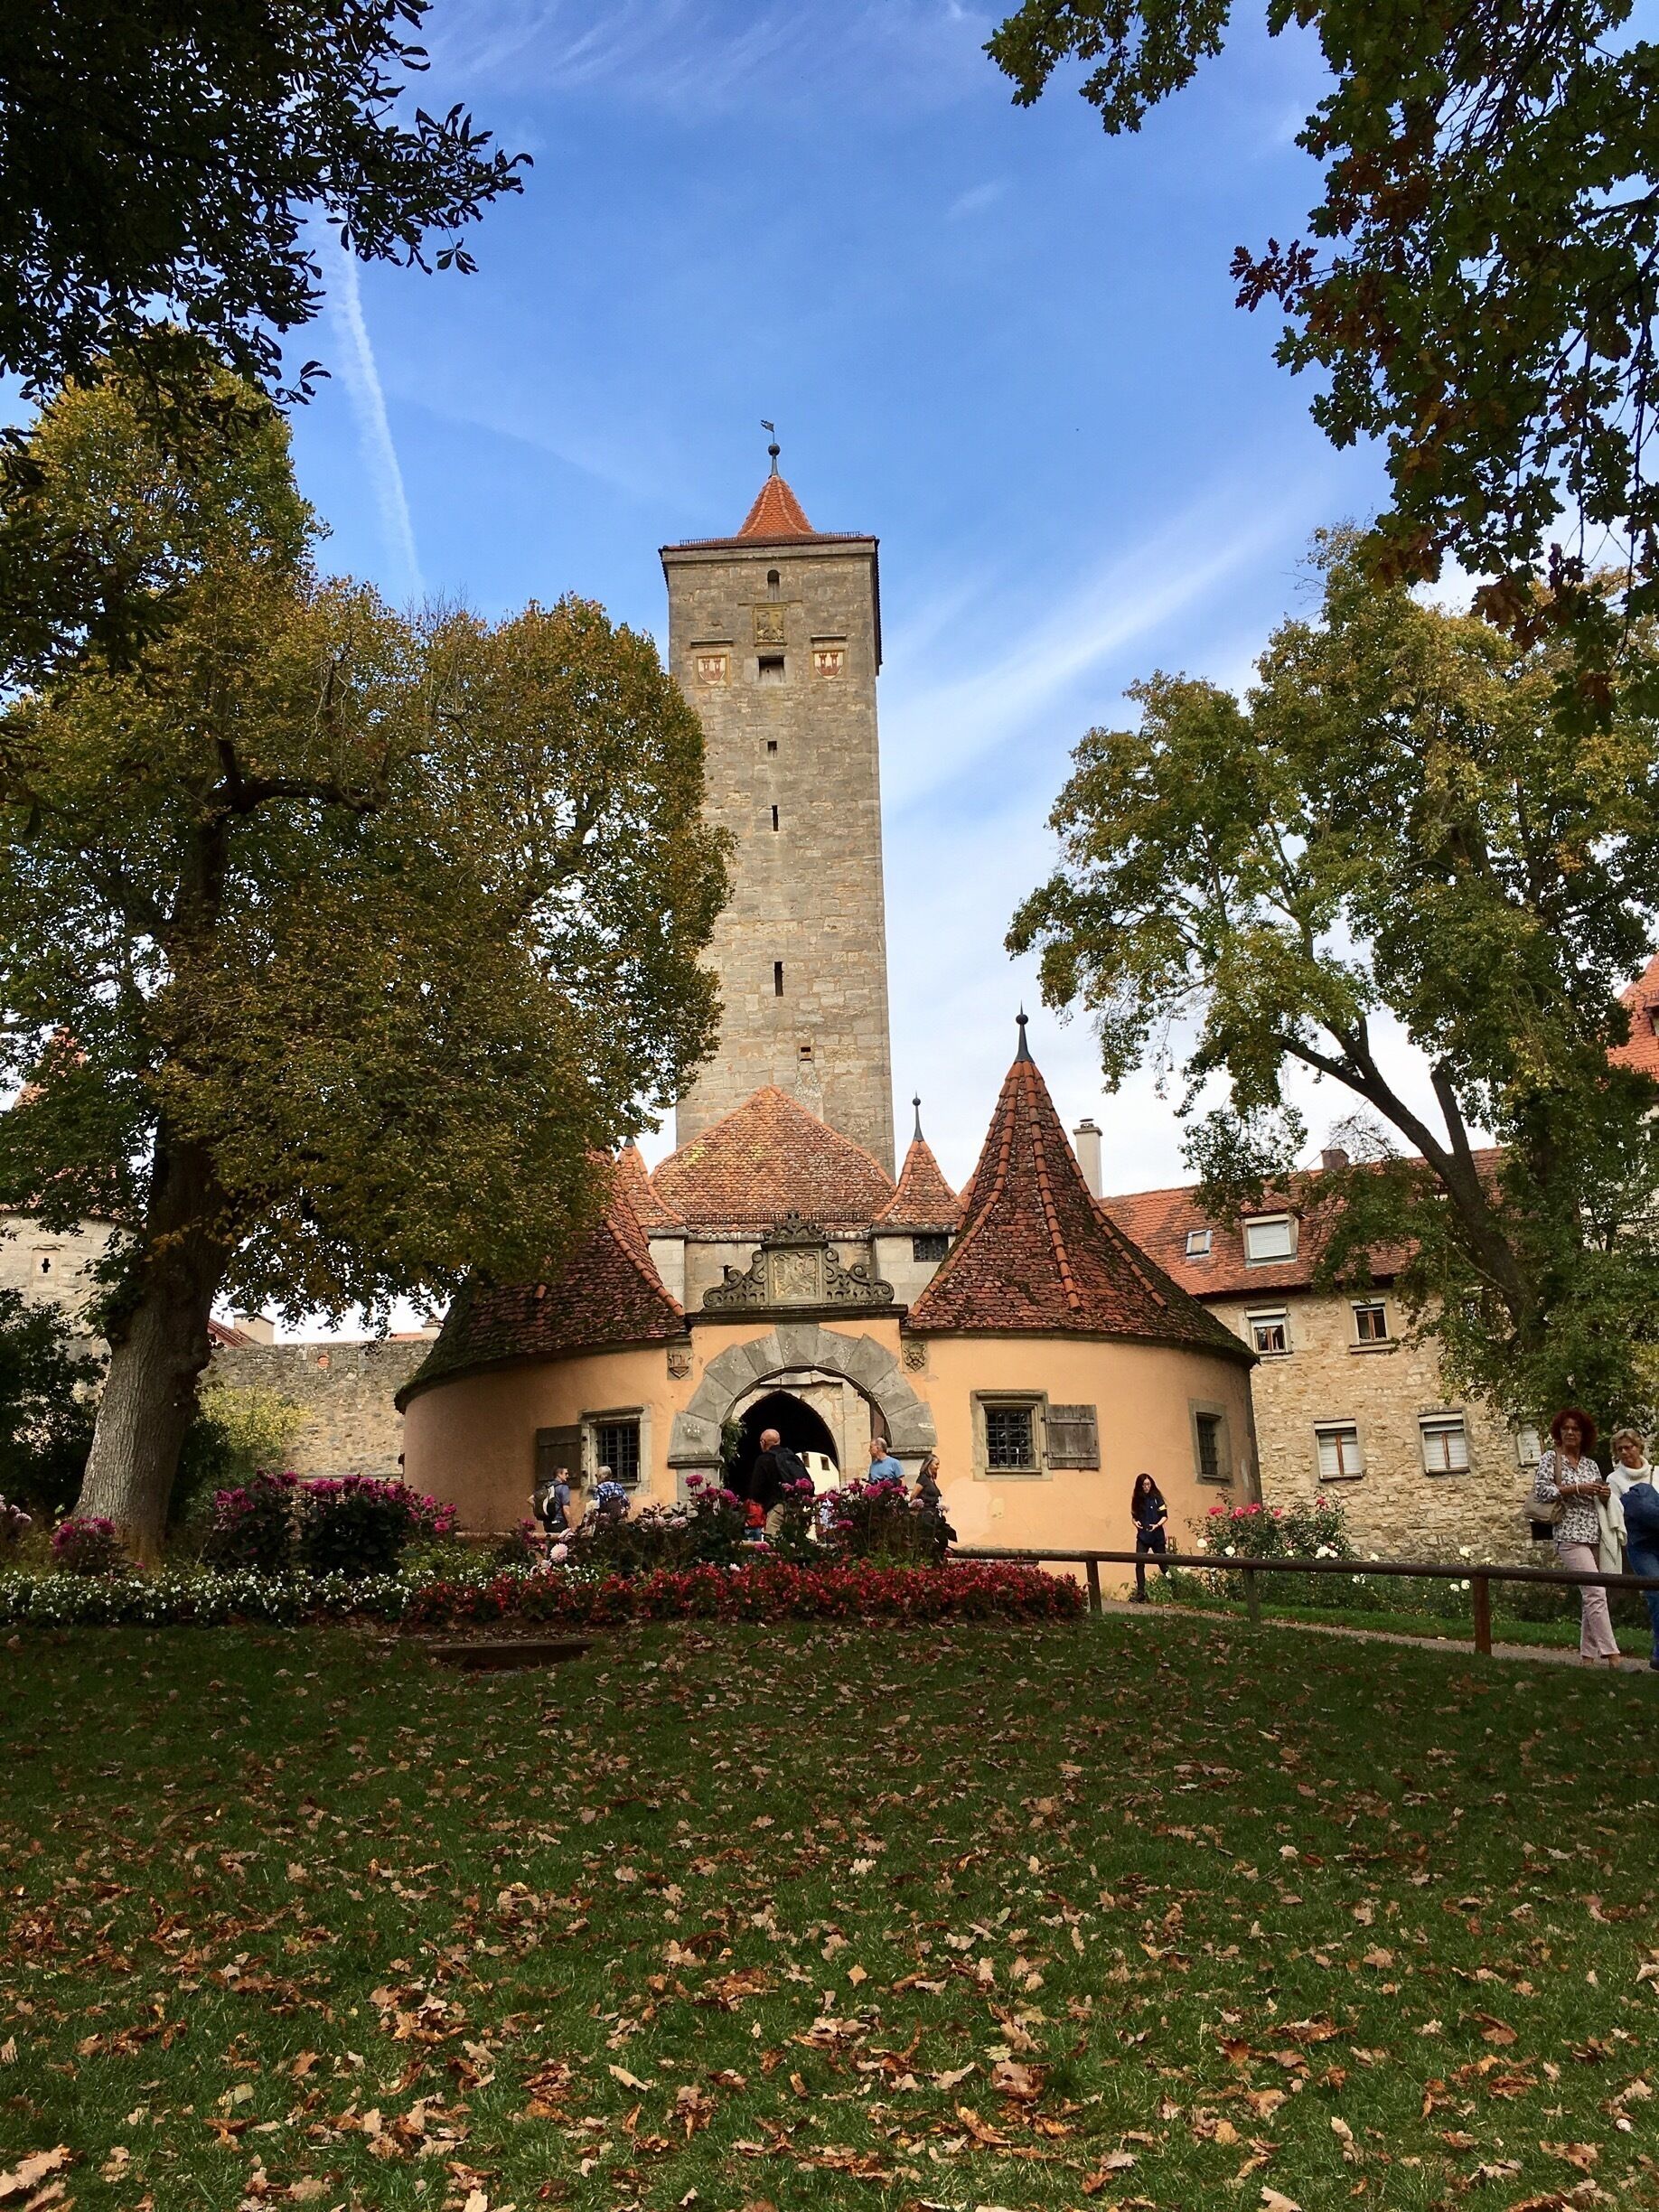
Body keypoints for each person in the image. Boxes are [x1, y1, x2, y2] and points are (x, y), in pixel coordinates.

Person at [1533, 1408, 1620, 1666]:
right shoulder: (1552, 1458)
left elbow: (1602, 1496)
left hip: (1593, 1534)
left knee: (1590, 1595)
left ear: (1584, 1435)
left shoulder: (1591, 1463)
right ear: (1559, 1433)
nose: (1571, 1433)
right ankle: (1612, 1654)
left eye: (1576, 1429)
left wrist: (1602, 1493)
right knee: (1595, 1590)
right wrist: (1577, 1488)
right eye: (1566, 1429)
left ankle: (1587, 1658)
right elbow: (1542, 1491)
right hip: (1568, 1534)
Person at [1609, 1427, 1659, 1673]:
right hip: (1641, 1546)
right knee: (1656, 1595)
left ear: (1639, 1447)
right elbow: (1620, 1512)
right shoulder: (1613, 1480)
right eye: (1620, 1449)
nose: (1626, 1452)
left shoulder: (1657, 1473)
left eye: (1630, 1447)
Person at [751, 1427, 808, 1538]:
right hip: (796, 1508)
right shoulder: (792, 1457)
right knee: (795, 1545)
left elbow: (755, 1492)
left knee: (773, 1548)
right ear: (779, 1441)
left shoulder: (764, 1459)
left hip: (776, 1509)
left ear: (763, 1443)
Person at [1129, 1472, 1168, 1602]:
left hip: (1157, 1536)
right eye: (1144, 1485)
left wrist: (1157, 1525)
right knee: (1139, 1563)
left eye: (1148, 1484)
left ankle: (1174, 1586)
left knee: (1163, 1564)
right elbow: (1134, 1516)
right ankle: (1141, 1593)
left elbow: (1164, 1516)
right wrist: (1136, 1523)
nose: (1146, 1487)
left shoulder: (1157, 1498)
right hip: (1143, 1536)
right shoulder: (1137, 1500)